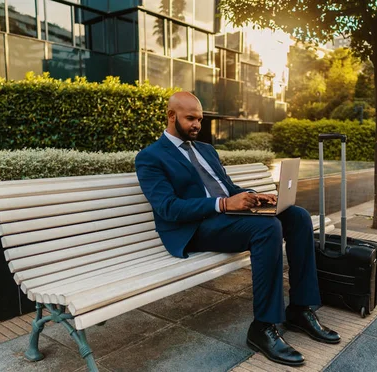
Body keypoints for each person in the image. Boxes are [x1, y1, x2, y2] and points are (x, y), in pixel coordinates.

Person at [135, 92, 339, 366]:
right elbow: (169, 208)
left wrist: (256, 195)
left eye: (200, 119)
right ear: (171, 116)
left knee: (297, 216)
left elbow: (229, 190)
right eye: (190, 118)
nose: (197, 124)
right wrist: (222, 204)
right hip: (193, 230)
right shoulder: (150, 157)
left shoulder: (206, 149)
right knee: (267, 228)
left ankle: (301, 309)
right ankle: (263, 327)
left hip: (225, 218)